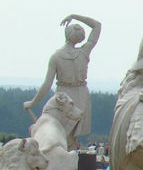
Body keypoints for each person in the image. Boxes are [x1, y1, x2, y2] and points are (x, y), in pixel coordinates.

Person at [24, 14, 101, 144]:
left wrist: (32, 103)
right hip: (81, 94)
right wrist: (74, 16)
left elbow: (47, 84)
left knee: (61, 135)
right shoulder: (84, 52)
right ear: (80, 37)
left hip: (63, 98)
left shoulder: (56, 57)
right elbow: (97, 25)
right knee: (71, 138)